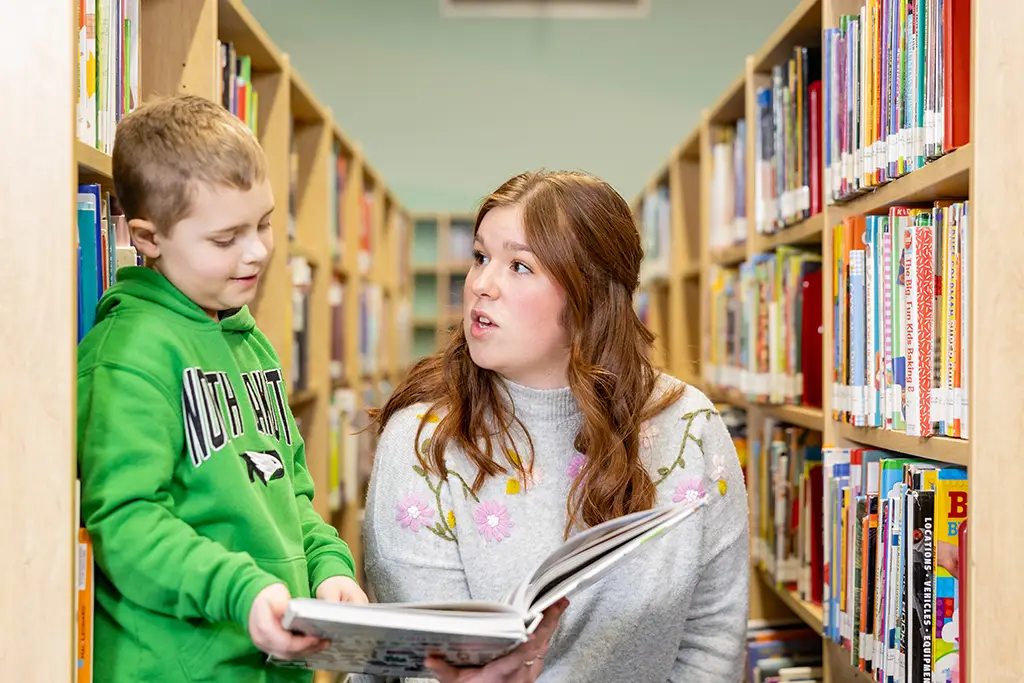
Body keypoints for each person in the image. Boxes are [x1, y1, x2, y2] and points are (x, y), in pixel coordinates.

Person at [360, 169, 751, 683]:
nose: (481, 284)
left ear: (589, 297)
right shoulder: (422, 440)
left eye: (519, 266)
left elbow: (711, 638)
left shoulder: (690, 427)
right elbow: (430, 664)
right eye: (481, 257)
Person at [76, 94, 367, 683]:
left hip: (273, 661)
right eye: (225, 238)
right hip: (179, 668)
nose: (257, 251)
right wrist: (241, 590)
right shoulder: (128, 356)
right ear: (149, 237)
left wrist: (328, 568)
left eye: (263, 223)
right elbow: (125, 524)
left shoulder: (249, 340)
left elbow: (288, 497)